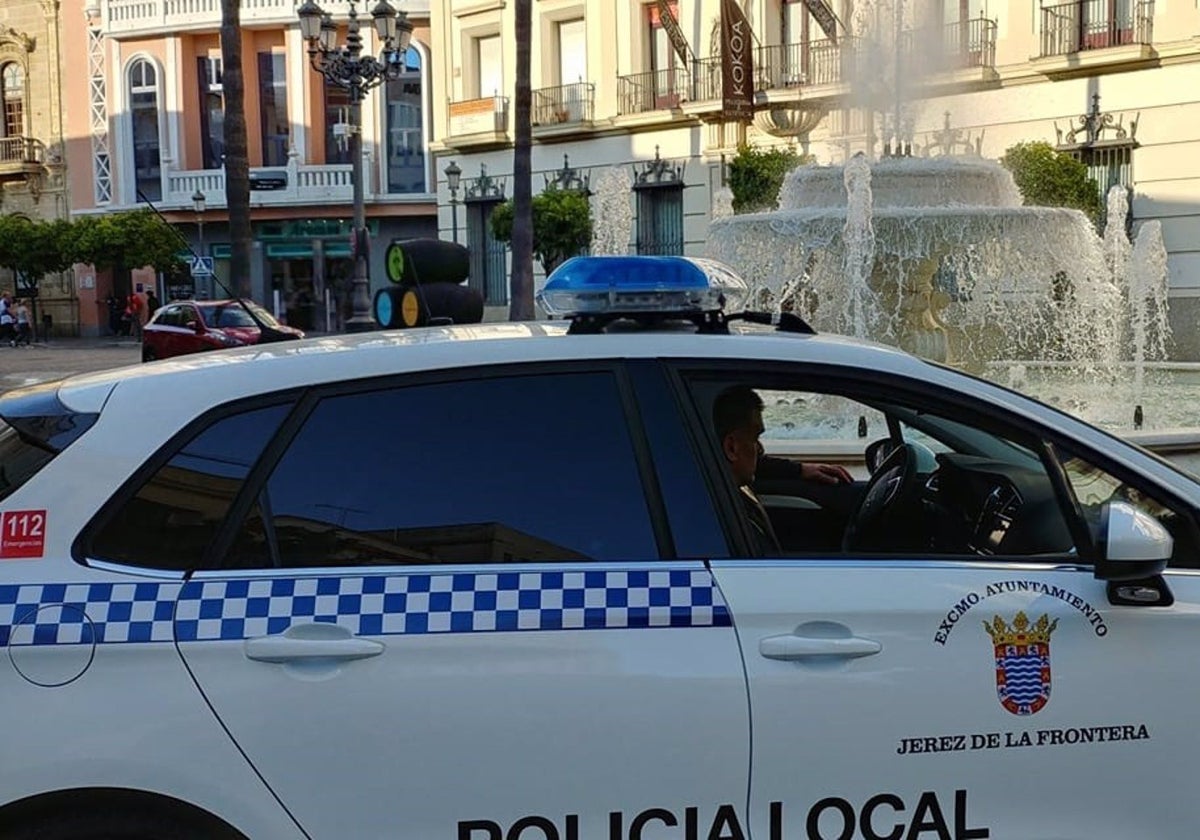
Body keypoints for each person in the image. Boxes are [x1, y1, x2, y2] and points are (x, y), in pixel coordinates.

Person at [712, 385, 852, 554]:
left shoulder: (713, 489)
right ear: (731, 448)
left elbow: (758, 464)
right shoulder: (717, 513)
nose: (761, 449)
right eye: (755, 438)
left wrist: (799, 470)